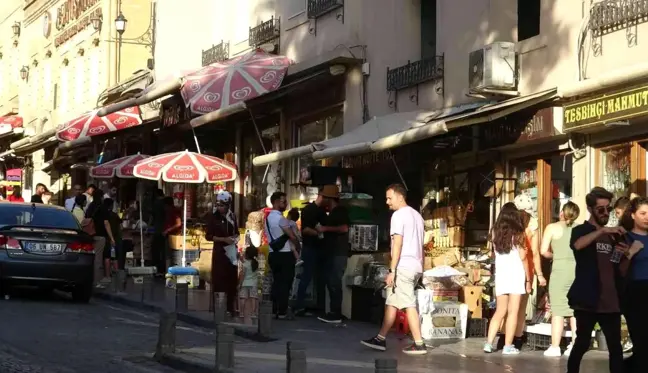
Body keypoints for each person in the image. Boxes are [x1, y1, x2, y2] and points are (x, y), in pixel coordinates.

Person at [361, 184, 427, 355]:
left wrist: (392, 270)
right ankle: (380, 338)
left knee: (408, 304)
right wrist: (422, 269)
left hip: (403, 266)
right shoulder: (418, 216)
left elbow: (397, 243)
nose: (387, 202)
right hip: (415, 266)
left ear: (400, 197)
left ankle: (419, 343)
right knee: (392, 301)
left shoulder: (398, 216)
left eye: (390, 198)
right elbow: (422, 245)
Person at [567, 187, 626, 373]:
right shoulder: (581, 230)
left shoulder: (615, 235)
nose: (605, 213)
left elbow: (618, 266)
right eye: (601, 209)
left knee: (615, 348)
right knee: (582, 343)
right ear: (591, 209)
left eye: (608, 209)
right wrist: (601, 232)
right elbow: (577, 245)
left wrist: (625, 254)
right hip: (588, 299)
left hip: (611, 301)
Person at [483, 202, 530, 355]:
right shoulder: (519, 234)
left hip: (501, 275)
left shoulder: (495, 234)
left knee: (500, 311)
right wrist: (528, 280)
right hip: (516, 275)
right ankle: (508, 346)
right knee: (513, 312)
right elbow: (523, 258)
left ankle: (489, 343)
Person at [540, 202, 580, 357]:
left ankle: (555, 347)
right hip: (576, 270)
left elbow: (544, 251)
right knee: (574, 310)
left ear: (562, 212)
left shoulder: (552, 227)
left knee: (558, 309)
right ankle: (575, 346)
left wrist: (555, 256)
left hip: (559, 271)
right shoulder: (580, 228)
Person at [508, 194, 546, 350]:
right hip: (526, 268)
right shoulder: (533, 225)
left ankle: (505, 336)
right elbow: (535, 252)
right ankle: (517, 337)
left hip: (508, 267)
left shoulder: (509, 224)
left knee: (507, 306)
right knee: (521, 306)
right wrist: (539, 274)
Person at [619, 197, 648, 373]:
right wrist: (632, 251)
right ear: (632, 215)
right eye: (642, 213)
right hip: (635, 291)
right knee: (640, 337)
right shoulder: (625, 237)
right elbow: (616, 264)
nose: (647, 217)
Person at [317, 186, 350, 324]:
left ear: (329, 199)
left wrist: (325, 228)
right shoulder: (334, 212)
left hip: (338, 253)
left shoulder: (340, 211)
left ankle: (336, 313)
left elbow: (344, 228)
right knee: (332, 282)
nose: (322, 200)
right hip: (333, 252)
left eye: (324, 197)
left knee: (334, 282)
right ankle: (335, 312)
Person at [265, 191, 301, 319]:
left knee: (277, 282)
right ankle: (282, 311)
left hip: (273, 254)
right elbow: (291, 235)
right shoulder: (281, 219)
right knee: (286, 283)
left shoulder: (268, 219)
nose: (285, 204)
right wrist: (297, 244)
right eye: (283, 201)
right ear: (275, 202)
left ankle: (274, 309)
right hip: (284, 254)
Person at [294, 190, 328, 316]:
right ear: (321, 196)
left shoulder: (322, 211)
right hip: (310, 247)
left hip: (318, 248)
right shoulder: (309, 210)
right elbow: (305, 230)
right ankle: (300, 306)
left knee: (318, 277)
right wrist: (320, 233)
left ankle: (319, 306)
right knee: (307, 276)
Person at [206, 192, 240, 316]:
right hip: (220, 252)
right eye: (218, 205)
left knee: (232, 279)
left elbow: (236, 231)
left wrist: (235, 238)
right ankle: (219, 307)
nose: (220, 207)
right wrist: (223, 239)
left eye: (223, 205)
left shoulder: (233, 216)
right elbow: (208, 236)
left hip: (231, 250)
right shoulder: (213, 217)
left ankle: (231, 307)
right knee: (219, 279)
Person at [86, 190, 114, 287]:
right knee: (98, 259)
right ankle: (96, 281)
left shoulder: (90, 206)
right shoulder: (103, 207)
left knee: (90, 258)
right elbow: (106, 223)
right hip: (100, 235)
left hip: (90, 234)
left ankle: (89, 279)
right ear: (101, 197)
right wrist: (111, 237)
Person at [239, 245, 260, 325]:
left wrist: (240, 284)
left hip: (244, 283)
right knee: (253, 298)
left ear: (247, 254)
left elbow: (242, 275)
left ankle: (241, 312)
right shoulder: (256, 263)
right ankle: (253, 313)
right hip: (254, 283)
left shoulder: (245, 264)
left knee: (243, 298)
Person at [161, 197, 182, 270]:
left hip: (174, 236)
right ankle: (168, 271)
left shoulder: (174, 211)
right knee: (168, 255)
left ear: (167, 205)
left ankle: (169, 271)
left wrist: (167, 230)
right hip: (169, 235)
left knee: (170, 255)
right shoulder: (169, 212)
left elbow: (178, 223)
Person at [104, 198, 124, 271]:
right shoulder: (115, 215)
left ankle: (107, 275)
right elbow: (121, 227)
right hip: (115, 238)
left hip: (105, 238)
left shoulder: (103, 215)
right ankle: (116, 272)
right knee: (114, 257)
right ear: (111, 206)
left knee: (107, 257)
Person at [151, 189, 166, 275]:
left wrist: (149, 226)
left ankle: (157, 268)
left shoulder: (156, 203)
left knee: (156, 250)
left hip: (158, 229)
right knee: (163, 251)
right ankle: (162, 268)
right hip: (164, 229)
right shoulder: (165, 203)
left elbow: (152, 217)